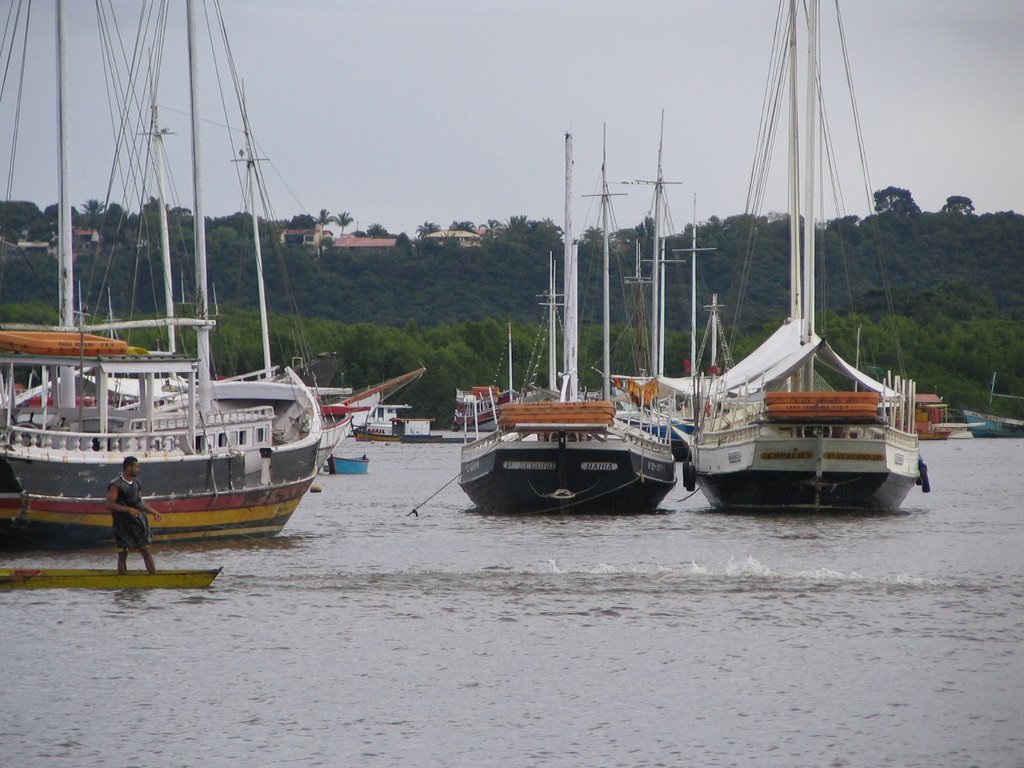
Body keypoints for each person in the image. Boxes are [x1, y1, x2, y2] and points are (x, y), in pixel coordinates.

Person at [106, 456, 163, 575]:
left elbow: (140, 502)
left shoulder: (136, 482)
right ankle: (122, 580)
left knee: (145, 550)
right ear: (128, 468)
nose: (139, 469)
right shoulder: (116, 484)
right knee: (123, 553)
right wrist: (128, 510)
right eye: (136, 467)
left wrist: (154, 512)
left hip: (138, 523)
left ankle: (153, 577)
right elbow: (109, 504)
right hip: (123, 524)